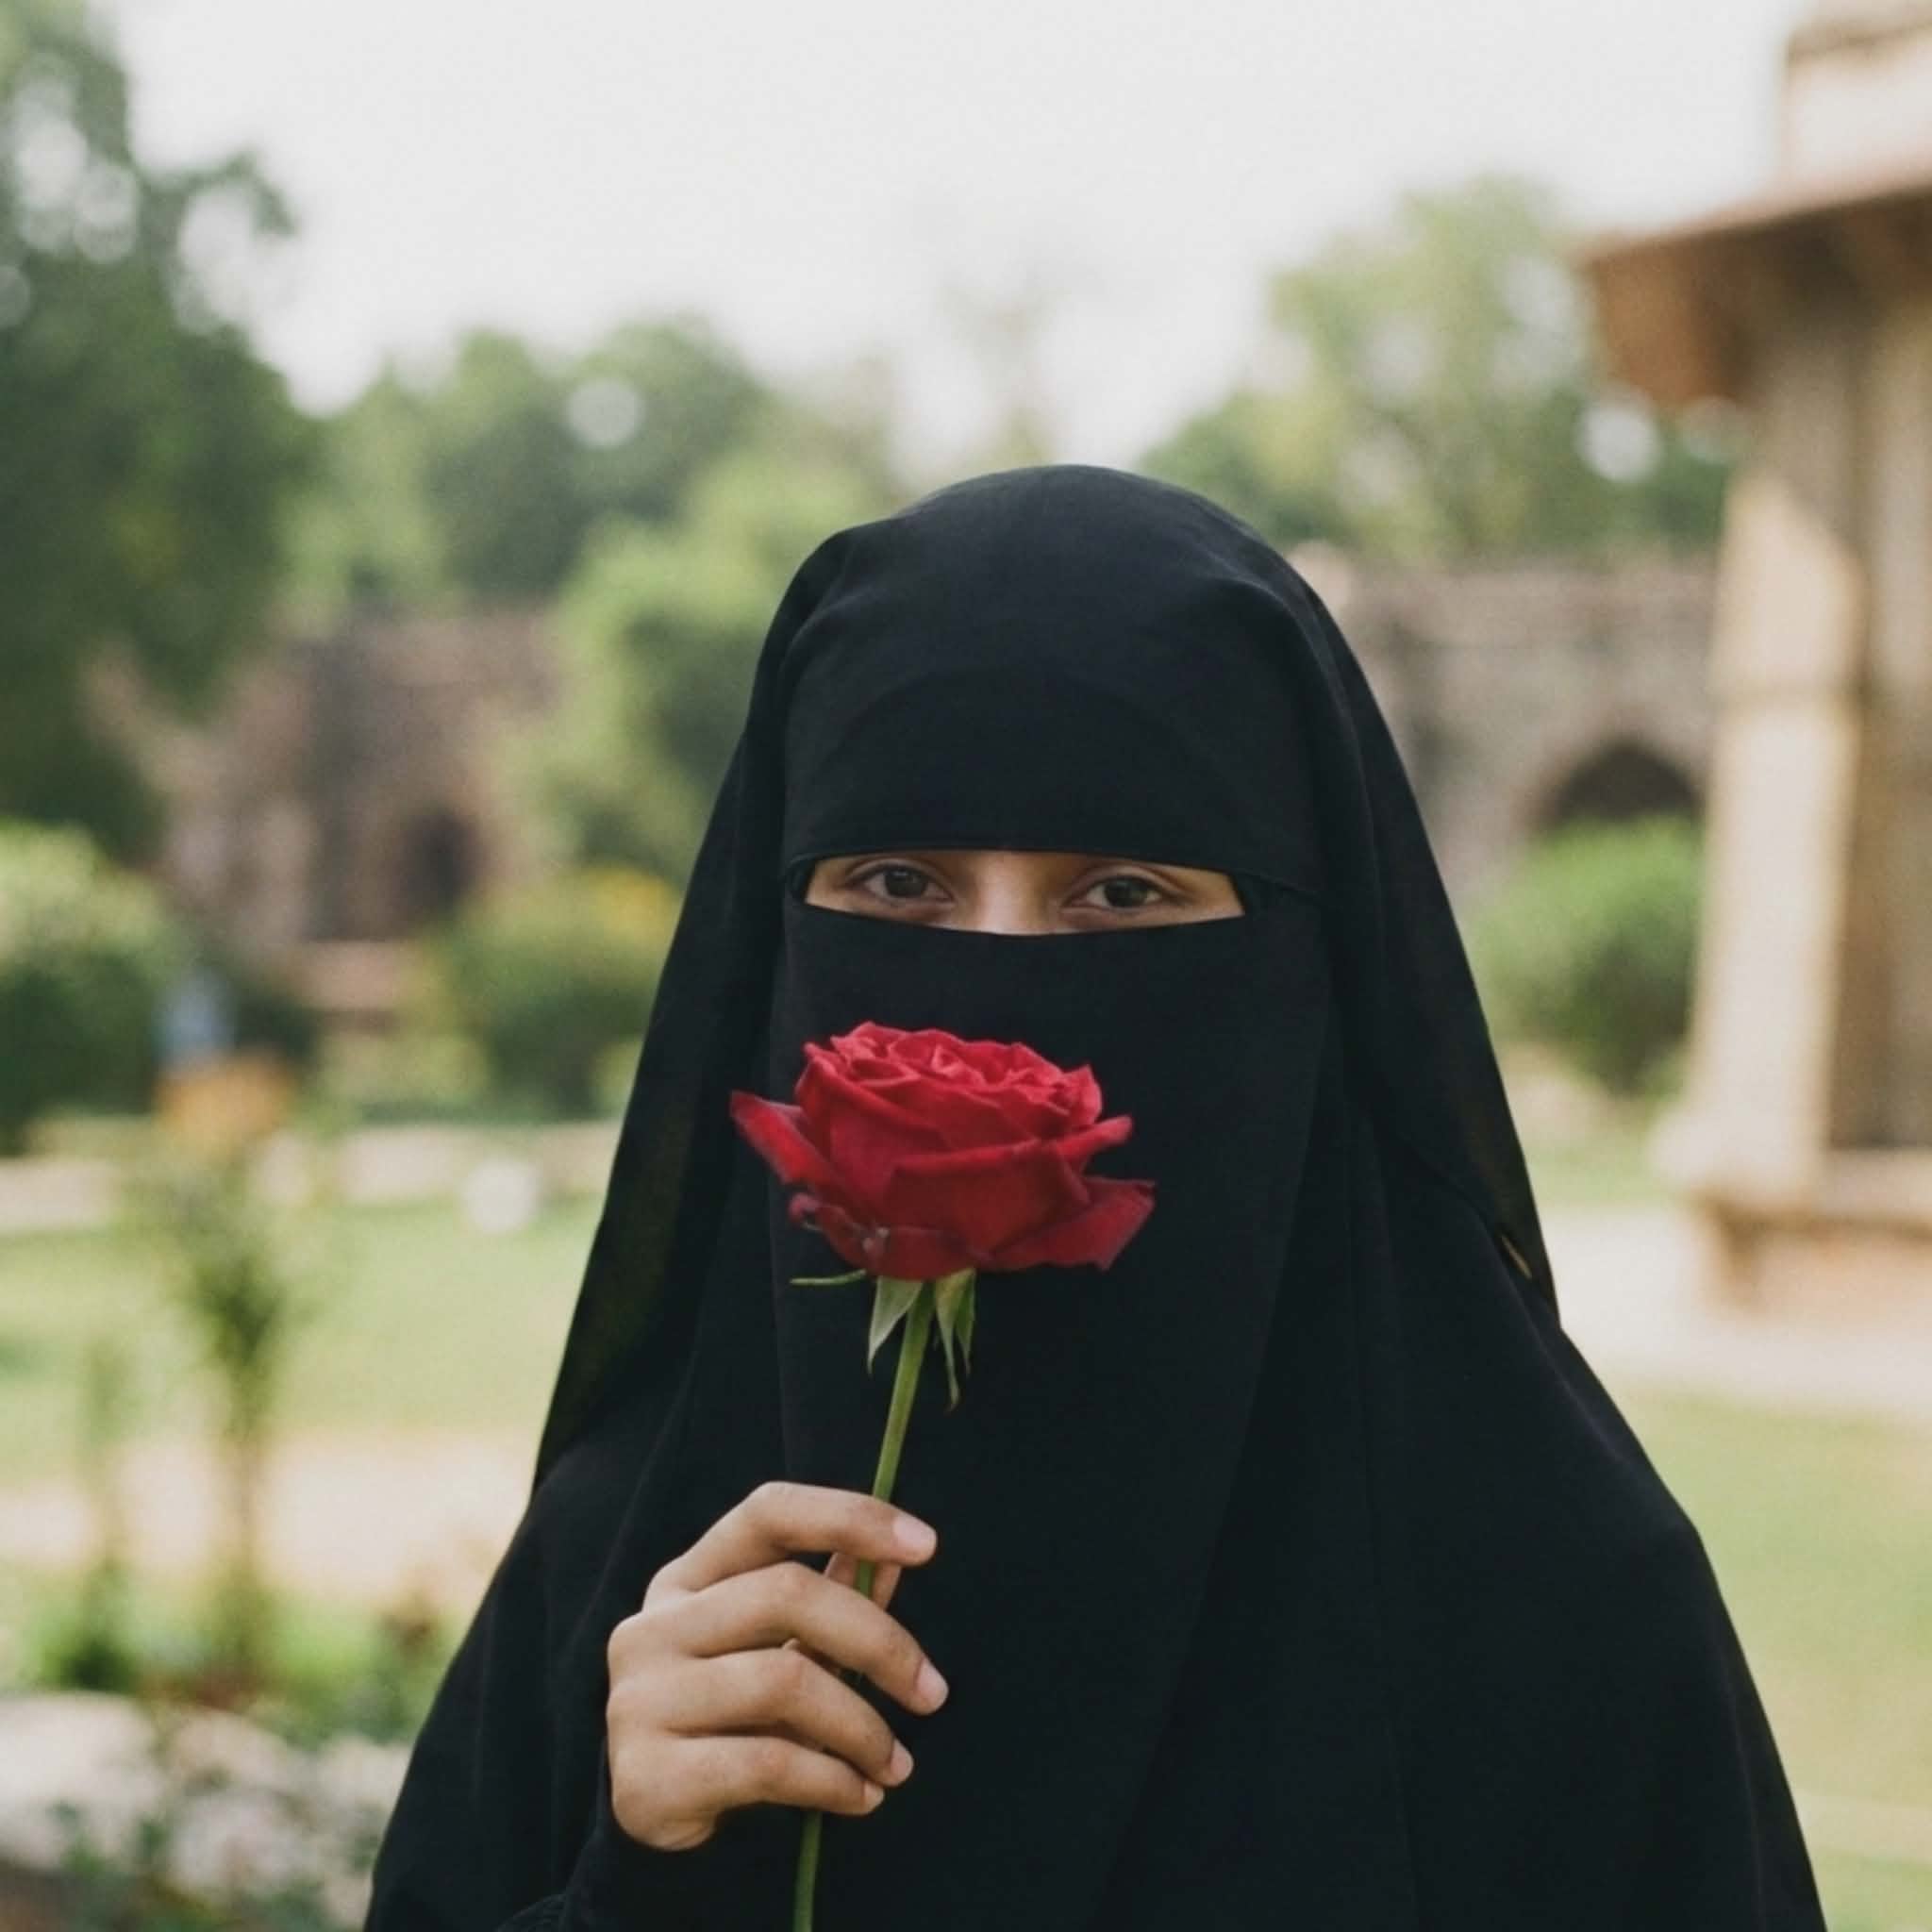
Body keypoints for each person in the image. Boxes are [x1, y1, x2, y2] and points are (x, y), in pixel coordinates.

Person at [365, 464, 1827, 1929]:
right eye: (897, 886)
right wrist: (642, 1893)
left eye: (1123, 895)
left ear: (1305, 965)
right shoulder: (640, 1580)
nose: (998, 1001)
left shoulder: (1554, 1610)